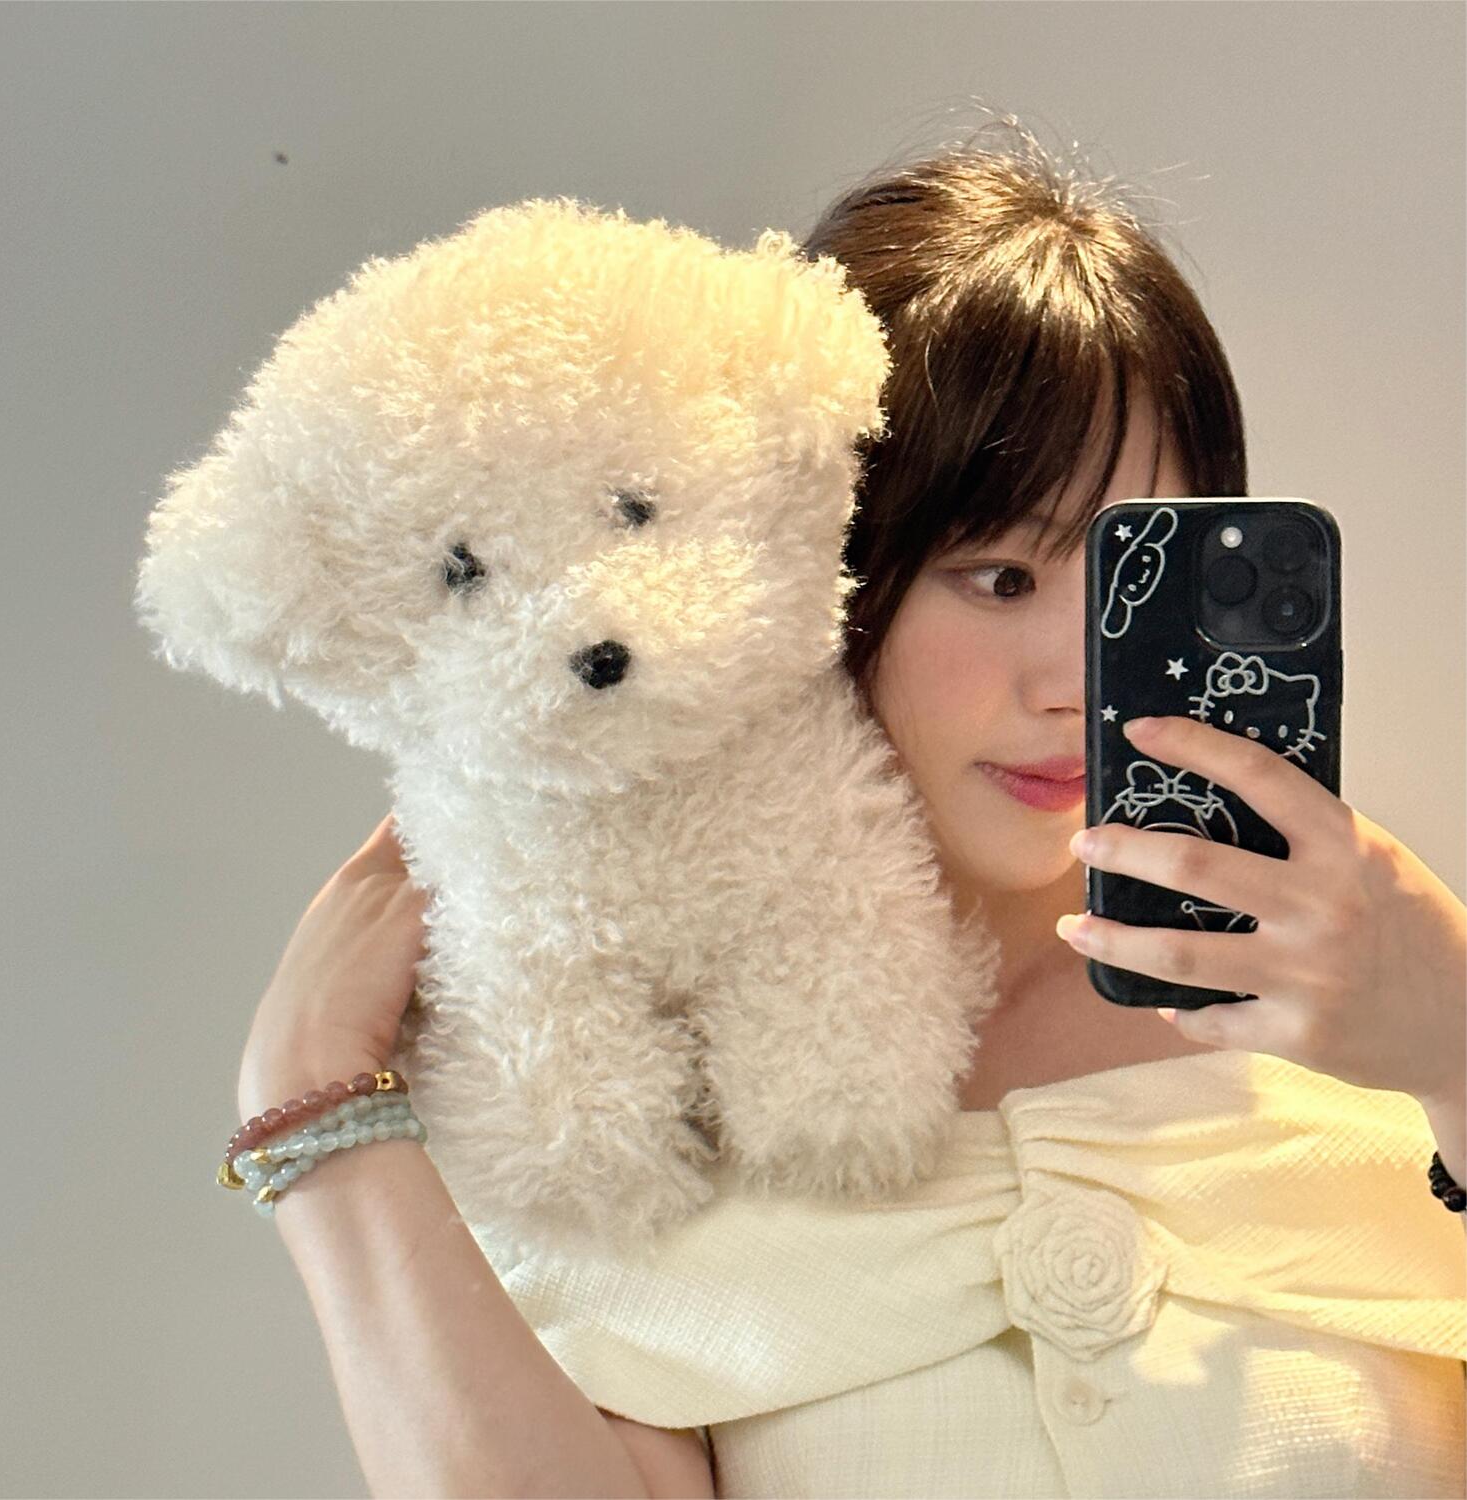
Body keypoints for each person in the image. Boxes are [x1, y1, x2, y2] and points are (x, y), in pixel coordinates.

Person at [236, 117, 1466, 1498]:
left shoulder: (1370, 980)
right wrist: (313, 1121)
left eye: (1136, 576)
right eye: (1000, 578)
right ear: (815, 567)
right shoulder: (639, 1076)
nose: (1074, 681)